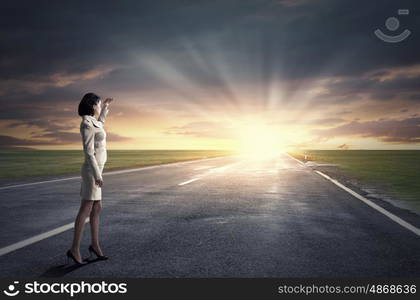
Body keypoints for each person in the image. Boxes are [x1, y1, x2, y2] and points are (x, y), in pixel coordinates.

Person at [66, 92, 114, 265]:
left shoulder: (93, 122)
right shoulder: (86, 124)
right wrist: (97, 175)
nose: (100, 106)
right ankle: (74, 249)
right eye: (99, 104)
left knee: (97, 207)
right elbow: (88, 152)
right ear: (93, 105)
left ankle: (95, 245)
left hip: (97, 170)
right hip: (91, 172)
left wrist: (106, 109)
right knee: (86, 208)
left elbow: (100, 124)